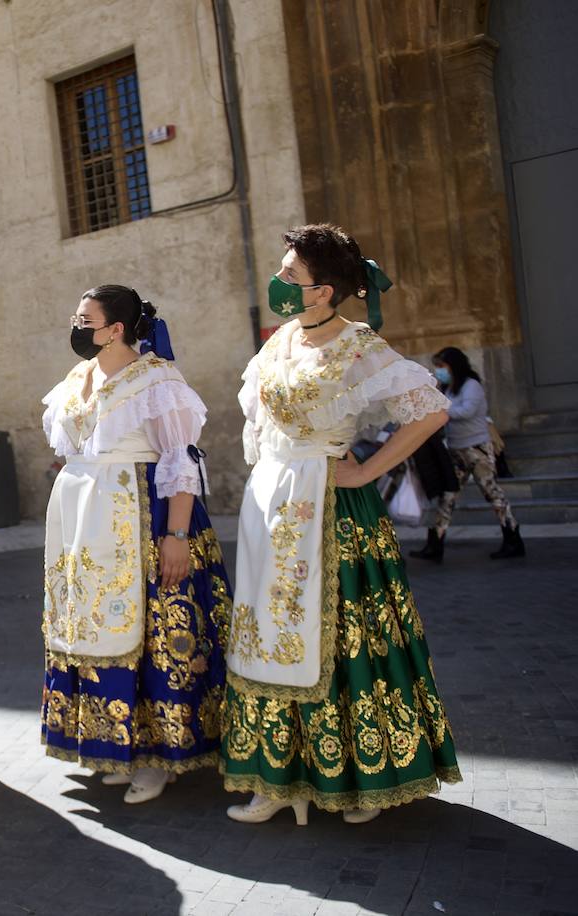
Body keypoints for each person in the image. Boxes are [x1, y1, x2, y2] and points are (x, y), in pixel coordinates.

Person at [222, 224, 461, 826]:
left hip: (330, 508)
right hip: (271, 502)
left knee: (343, 637)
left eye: (290, 277)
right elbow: (260, 428)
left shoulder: (359, 347)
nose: (279, 283)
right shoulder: (277, 345)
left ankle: (359, 776)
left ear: (324, 291)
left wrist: (367, 472)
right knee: (266, 635)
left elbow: (429, 411)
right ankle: (280, 780)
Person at [40, 285, 231, 804]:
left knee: (153, 633)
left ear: (116, 329)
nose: (77, 328)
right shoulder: (77, 380)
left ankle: (158, 758)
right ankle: (118, 745)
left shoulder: (157, 380)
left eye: (85, 319)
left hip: (143, 517)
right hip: (86, 528)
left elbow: (181, 461)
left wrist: (175, 537)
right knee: (96, 628)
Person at [411, 346, 523, 561]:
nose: (439, 370)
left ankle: (512, 537)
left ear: (454, 365)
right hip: (456, 449)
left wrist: (441, 411)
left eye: (442, 366)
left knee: (492, 493)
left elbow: (467, 411)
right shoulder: (448, 388)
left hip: (476, 448)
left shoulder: (471, 386)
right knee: (447, 496)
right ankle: (435, 543)